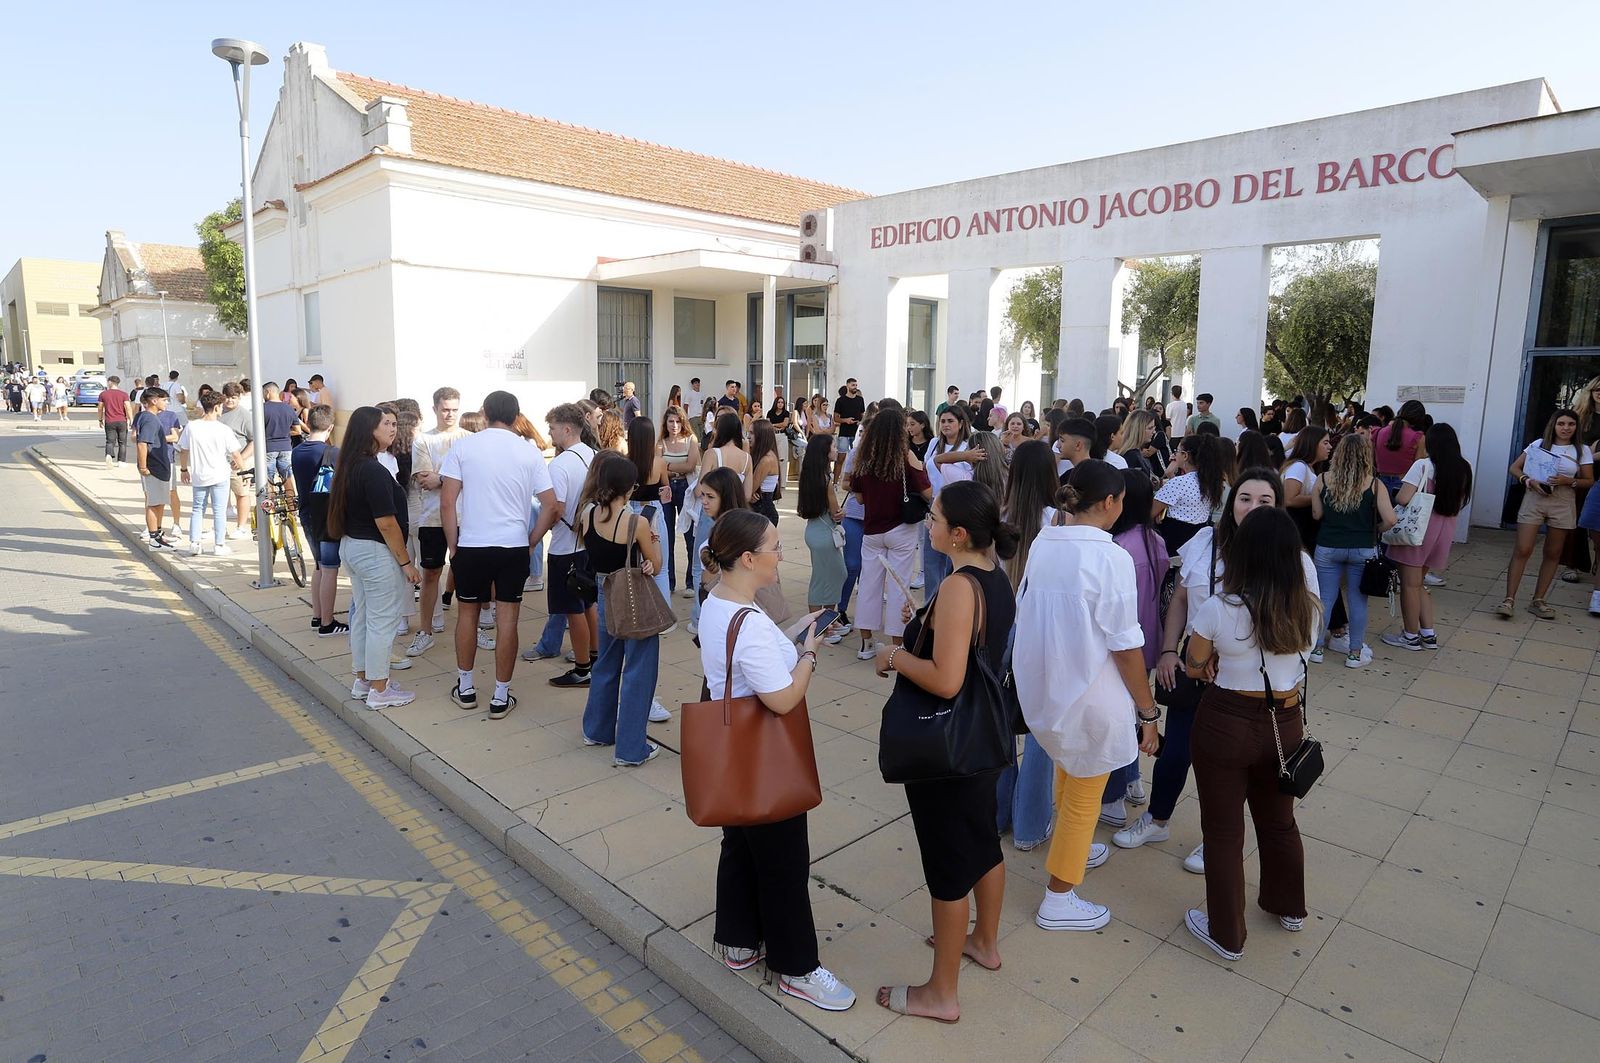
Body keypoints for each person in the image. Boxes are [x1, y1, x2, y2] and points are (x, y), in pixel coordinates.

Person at [697, 509, 856, 1012]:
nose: (780, 555)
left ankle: (739, 940)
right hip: (765, 759)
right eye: (773, 548)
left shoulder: (722, 602)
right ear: (747, 558)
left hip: (734, 757)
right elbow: (783, 700)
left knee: (741, 844)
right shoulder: (746, 621)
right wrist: (809, 656)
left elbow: (749, 658)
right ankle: (796, 968)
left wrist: (791, 633)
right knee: (784, 863)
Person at [873, 481, 1016, 1022]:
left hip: (949, 752)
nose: (926, 523)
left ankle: (942, 993)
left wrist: (893, 657)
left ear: (957, 534)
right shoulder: (992, 576)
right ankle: (985, 941)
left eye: (933, 518)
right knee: (983, 844)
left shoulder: (959, 589)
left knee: (949, 867)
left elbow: (947, 679)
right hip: (983, 741)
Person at [1115, 469, 1302, 873]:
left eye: (1264, 501)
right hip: (1193, 666)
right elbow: (1180, 598)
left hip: (1244, 678)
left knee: (1226, 767)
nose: (1251, 507)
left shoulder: (1285, 557)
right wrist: (1168, 649)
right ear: (1231, 502)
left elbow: (1297, 627)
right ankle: (1158, 818)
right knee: (1175, 751)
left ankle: (1213, 840)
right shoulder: (1205, 541)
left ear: (1277, 508)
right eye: (1244, 498)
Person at [1014, 461, 1161, 931]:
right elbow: (1125, 643)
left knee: (1068, 772)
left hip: (1046, 686)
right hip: (1092, 694)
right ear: (1111, 502)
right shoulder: (1110, 557)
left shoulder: (1043, 543)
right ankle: (1059, 898)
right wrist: (1147, 710)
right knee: (1084, 796)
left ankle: (1069, 850)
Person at [1184, 506, 1319, 961]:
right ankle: (1290, 907)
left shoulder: (1219, 607)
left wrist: (1210, 662)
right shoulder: (1308, 609)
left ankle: (1227, 933)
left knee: (1223, 833)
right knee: (1279, 820)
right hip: (1286, 721)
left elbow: (1194, 664)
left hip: (1226, 718)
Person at [440, 391, 556, 717]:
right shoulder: (529, 452)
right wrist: (531, 541)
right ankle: (501, 695)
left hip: (472, 545)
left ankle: (465, 687)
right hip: (513, 546)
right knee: (508, 621)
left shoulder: (463, 447)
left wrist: (453, 545)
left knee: (467, 616)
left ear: (485, 412)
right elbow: (551, 506)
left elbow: (447, 502)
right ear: (516, 415)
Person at [327, 405, 419, 709]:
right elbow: (386, 522)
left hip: (354, 548)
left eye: (394, 424)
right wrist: (406, 562)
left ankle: (364, 680)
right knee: (381, 621)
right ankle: (381, 689)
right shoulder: (372, 469)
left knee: (365, 617)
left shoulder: (352, 464)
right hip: (375, 553)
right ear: (370, 430)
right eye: (386, 424)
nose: (393, 429)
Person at [1100, 470, 1167, 828]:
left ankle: (1112, 799)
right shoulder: (1154, 540)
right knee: (1133, 716)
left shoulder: (1119, 547)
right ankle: (1132, 780)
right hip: (1147, 643)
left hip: (1125, 647)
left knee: (1118, 721)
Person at [847, 406, 930, 661]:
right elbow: (927, 493)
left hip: (872, 530)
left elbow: (859, 498)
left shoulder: (864, 459)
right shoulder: (906, 457)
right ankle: (897, 643)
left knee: (869, 586)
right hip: (901, 529)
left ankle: (866, 643)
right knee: (899, 587)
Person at [1383, 424, 1474, 649]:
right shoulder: (1463, 468)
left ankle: (1410, 636)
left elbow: (1403, 499)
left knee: (1409, 585)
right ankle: (1428, 633)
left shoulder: (1423, 466)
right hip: (1443, 530)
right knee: (1419, 584)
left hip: (1419, 528)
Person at [1310, 434, 1396, 668]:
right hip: (1362, 548)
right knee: (1358, 602)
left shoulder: (1322, 480)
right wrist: (1374, 529)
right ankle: (1354, 654)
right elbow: (1390, 519)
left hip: (1328, 545)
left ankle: (1316, 649)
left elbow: (1316, 515)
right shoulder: (1375, 485)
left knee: (1324, 599)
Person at [1501, 408, 1595, 619]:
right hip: (1535, 495)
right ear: (1554, 425)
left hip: (1563, 499)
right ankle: (1509, 599)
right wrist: (1527, 480)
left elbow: (1588, 481)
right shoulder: (1538, 444)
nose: (1566, 428)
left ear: (1576, 427)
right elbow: (1515, 467)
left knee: (1553, 552)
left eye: (1571, 424)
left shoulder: (1582, 450)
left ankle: (1539, 599)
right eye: (1561, 424)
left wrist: (1568, 481)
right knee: (1523, 549)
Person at [541, 403, 600, 686]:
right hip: (590, 542)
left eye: (552, 427)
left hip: (566, 546)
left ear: (567, 429)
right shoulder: (595, 456)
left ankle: (582, 668)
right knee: (588, 601)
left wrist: (536, 534)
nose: (549, 433)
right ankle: (595, 655)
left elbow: (556, 508)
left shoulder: (561, 464)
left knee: (572, 607)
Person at [406, 387, 467, 656]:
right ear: (435, 409)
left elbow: (468, 477)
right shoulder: (422, 440)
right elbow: (423, 479)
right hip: (431, 519)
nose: (450, 414)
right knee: (430, 573)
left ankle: (473, 627)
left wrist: (441, 478)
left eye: (454, 409)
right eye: (445, 409)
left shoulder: (469, 439)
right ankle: (426, 631)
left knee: (467, 574)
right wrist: (454, 479)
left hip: (466, 518)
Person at [292, 404, 347, 636]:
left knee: (318, 566)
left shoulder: (297, 451)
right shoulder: (332, 452)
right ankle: (327, 622)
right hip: (327, 516)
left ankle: (317, 616)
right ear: (331, 427)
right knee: (330, 568)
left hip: (306, 513)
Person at [177, 389, 242, 555]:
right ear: (216, 407)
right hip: (220, 474)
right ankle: (219, 545)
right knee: (219, 510)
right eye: (221, 406)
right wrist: (243, 469)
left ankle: (194, 543)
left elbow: (183, 450)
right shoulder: (223, 429)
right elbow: (236, 454)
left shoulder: (191, 427)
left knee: (198, 508)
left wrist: (184, 469)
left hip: (199, 474)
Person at [797, 433, 847, 628]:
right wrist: (843, 511)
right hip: (825, 534)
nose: (836, 450)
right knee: (832, 576)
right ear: (825, 452)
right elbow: (836, 512)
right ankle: (821, 625)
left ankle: (826, 621)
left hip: (814, 530)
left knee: (825, 576)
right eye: (833, 447)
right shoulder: (825, 480)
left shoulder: (808, 475)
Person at [625, 415, 674, 604]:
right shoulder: (659, 462)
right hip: (654, 511)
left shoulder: (624, 462)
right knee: (660, 566)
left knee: (635, 565)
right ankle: (665, 615)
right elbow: (665, 492)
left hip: (630, 512)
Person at [1153, 434, 1225, 552]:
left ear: (1185, 455)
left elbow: (1150, 511)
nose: (1175, 454)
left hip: (1173, 542)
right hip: (1196, 542)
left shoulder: (1179, 483)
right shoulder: (1210, 481)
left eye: (1177, 451)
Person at [660, 406, 700, 596]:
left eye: (677, 421)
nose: (674, 425)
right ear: (665, 423)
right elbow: (657, 467)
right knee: (665, 535)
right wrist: (677, 468)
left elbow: (691, 465)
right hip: (666, 488)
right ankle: (668, 581)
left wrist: (668, 466)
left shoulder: (691, 440)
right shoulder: (661, 442)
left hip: (686, 489)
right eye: (671, 421)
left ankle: (691, 582)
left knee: (690, 535)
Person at [133, 388, 178, 548]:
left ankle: (158, 534)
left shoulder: (150, 418)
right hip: (154, 467)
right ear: (154, 400)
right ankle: (153, 538)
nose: (166, 403)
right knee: (153, 503)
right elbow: (142, 444)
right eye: (164, 400)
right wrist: (143, 466)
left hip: (160, 467)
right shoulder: (149, 419)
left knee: (160, 502)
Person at [1280, 427, 1332, 553]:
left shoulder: (1308, 468)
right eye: (1325, 443)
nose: (1330, 447)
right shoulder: (1299, 467)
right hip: (1298, 528)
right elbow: (1290, 499)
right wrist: (1322, 497)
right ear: (1312, 444)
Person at [217, 383, 256, 541]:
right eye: (227, 397)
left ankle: (241, 527)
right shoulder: (218, 410)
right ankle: (220, 527)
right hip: (218, 462)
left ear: (239, 398)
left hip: (236, 464)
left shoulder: (245, 415)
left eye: (233, 397)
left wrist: (242, 458)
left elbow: (254, 440)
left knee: (242, 493)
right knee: (219, 495)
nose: (229, 400)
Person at [1374, 399, 1428, 494]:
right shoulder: (1418, 438)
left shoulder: (1378, 432)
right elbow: (1418, 468)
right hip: (1403, 485)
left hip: (1380, 483)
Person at [260, 383, 299, 495]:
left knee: (268, 479)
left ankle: (270, 509)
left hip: (269, 447)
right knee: (287, 477)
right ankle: (291, 507)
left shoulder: (262, 408)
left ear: (268, 392)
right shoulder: (288, 408)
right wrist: (284, 432)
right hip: (286, 447)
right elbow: (298, 430)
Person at [748, 418, 783, 526]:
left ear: (761, 436)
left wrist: (751, 493)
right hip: (759, 511)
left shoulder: (766, 460)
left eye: (752, 433)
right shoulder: (764, 455)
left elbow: (748, 490)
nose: (748, 436)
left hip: (763, 513)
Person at [834, 378, 866, 481]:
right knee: (841, 457)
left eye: (856, 385)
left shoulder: (860, 400)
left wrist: (861, 422)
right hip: (844, 432)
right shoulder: (840, 400)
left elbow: (862, 415)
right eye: (853, 385)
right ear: (847, 386)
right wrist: (845, 420)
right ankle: (835, 481)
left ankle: (855, 480)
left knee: (857, 457)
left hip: (856, 432)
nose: (855, 387)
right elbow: (835, 417)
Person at [98, 375, 130, 465]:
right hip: (122, 420)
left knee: (110, 441)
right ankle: (121, 461)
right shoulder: (124, 394)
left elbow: (100, 408)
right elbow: (128, 407)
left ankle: (109, 455)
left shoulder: (103, 394)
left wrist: (100, 419)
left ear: (110, 382)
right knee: (122, 442)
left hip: (109, 420)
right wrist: (131, 418)